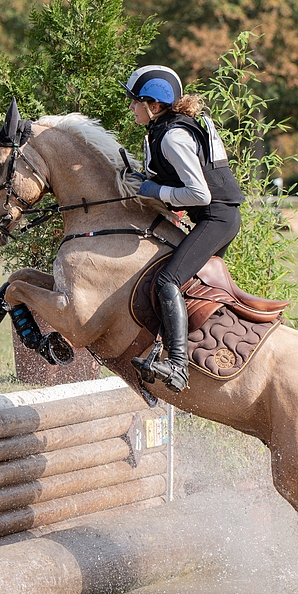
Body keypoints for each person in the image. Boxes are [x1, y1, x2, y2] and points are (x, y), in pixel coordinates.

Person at [121, 65, 245, 393]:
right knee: (183, 284)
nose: (131, 107)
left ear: (154, 105)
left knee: (168, 280)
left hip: (217, 217)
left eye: (135, 101)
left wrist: (153, 191)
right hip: (213, 216)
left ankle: (177, 366)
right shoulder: (163, 129)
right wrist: (145, 180)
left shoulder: (173, 136)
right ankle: (184, 355)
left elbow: (199, 193)